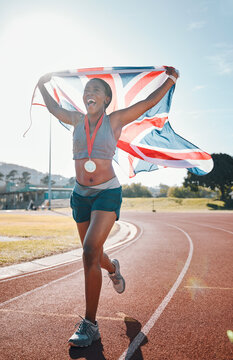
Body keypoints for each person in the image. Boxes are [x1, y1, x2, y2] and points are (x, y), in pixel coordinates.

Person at [37, 66, 179, 347]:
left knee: (89, 251)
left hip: (106, 193)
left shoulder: (114, 120)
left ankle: (90, 324)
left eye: (96, 91)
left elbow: (146, 104)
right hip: (80, 195)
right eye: (87, 90)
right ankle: (113, 267)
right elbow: (53, 108)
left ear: (105, 100)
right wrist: (42, 84)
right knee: (94, 254)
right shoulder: (76, 119)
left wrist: (171, 79)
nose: (89, 93)